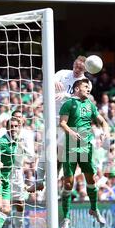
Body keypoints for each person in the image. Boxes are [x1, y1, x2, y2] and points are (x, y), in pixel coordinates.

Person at [27, 55, 91, 193]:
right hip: (52, 119)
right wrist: (51, 84)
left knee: (58, 157)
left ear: (85, 69)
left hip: (68, 124)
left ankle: (55, 187)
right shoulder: (62, 73)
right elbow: (49, 82)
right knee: (45, 153)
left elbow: (83, 99)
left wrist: (66, 95)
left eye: (80, 68)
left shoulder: (86, 82)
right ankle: (38, 182)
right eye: (75, 66)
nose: (76, 69)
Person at [59, 78, 109, 228]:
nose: (88, 89)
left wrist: (105, 132)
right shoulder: (68, 104)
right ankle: (66, 217)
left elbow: (102, 121)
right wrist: (72, 133)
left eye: (89, 87)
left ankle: (94, 209)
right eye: (85, 86)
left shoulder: (90, 105)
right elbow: (62, 123)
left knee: (91, 180)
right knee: (68, 183)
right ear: (76, 88)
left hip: (86, 148)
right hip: (71, 149)